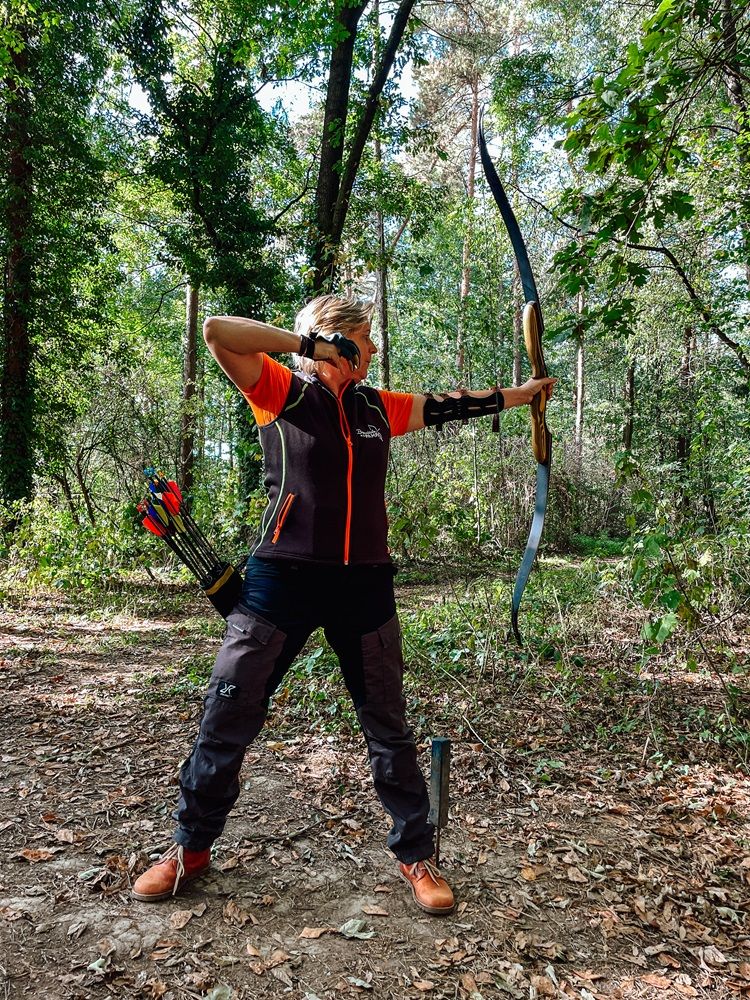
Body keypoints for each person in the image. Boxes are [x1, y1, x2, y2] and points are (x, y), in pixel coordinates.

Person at [131, 294, 555, 914]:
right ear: (341, 345)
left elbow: (447, 406)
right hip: (283, 578)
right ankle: (189, 849)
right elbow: (218, 331)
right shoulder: (281, 389)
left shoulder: (375, 407)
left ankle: (416, 854)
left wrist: (520, 396)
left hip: (364, 583)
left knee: (387, 720)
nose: (375, 351)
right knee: (229, 707)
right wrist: (309, 349)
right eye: (365, 341)